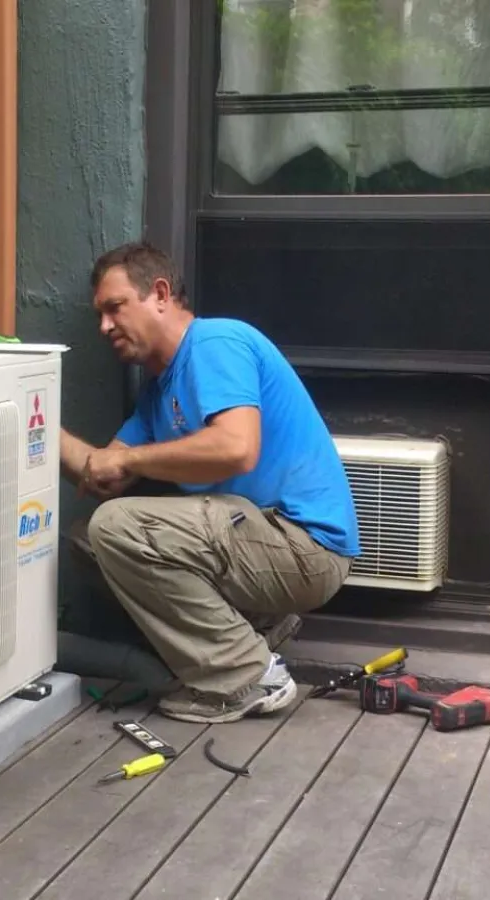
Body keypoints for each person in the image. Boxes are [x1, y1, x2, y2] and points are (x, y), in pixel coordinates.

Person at [57, 241, 361, 724]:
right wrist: (34, 423)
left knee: (117, 526)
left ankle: (248, 674)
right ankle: (255, 632)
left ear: (159, 294)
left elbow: (237, 447)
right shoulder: (158, 393)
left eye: (115, 308)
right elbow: (104, 474)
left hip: (305, 546)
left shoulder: (216, 343)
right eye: (99, 314)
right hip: (258, 542)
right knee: (91, 540)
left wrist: (134, 458)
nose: (105, 327)